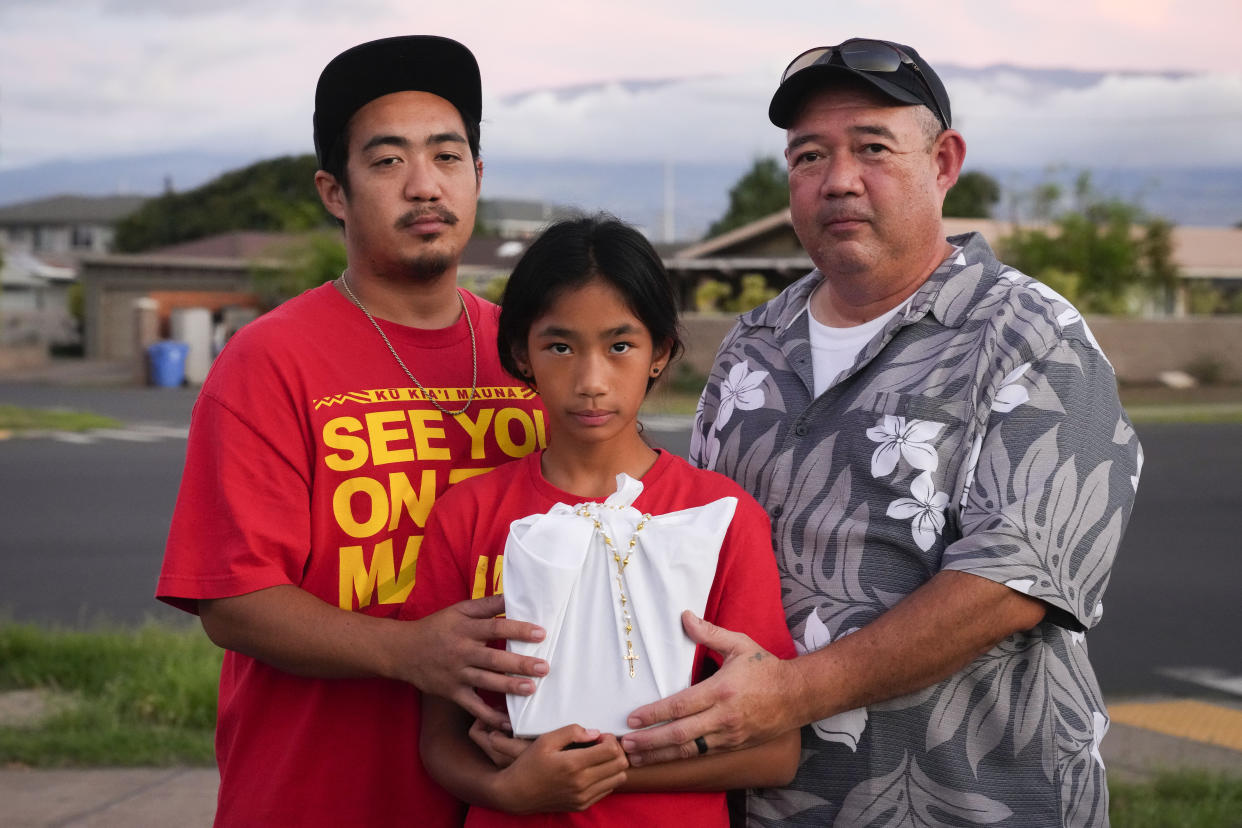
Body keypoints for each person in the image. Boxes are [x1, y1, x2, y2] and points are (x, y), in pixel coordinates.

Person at [620, 39, 1143, 826]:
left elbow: (1010, 585)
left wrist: (791, 693)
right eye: (809, 156)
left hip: (977, 803)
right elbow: (695, 545)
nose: (838, 180)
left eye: (872, 147)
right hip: (769, 805)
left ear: (944, 161)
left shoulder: (1030, 335)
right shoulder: (753, 345)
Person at [156, 35, 550, 826]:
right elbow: (233, 600)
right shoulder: (270, 360)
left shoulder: (537, 354)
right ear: (334, 192)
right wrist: (410, 652)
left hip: (514, 802)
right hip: (318, 798)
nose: (423, 186)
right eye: (387, 161)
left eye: (447, 156)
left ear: (478, 177)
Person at [404, 215, 800, 826]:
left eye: (620, 346)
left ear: (659, 352)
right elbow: (441, 741)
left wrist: (605, 767)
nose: (591, 381)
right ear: (521, 354)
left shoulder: (720, 516)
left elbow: (775, 755)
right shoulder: (467, 514)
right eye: (560, 346)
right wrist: (509, 792)